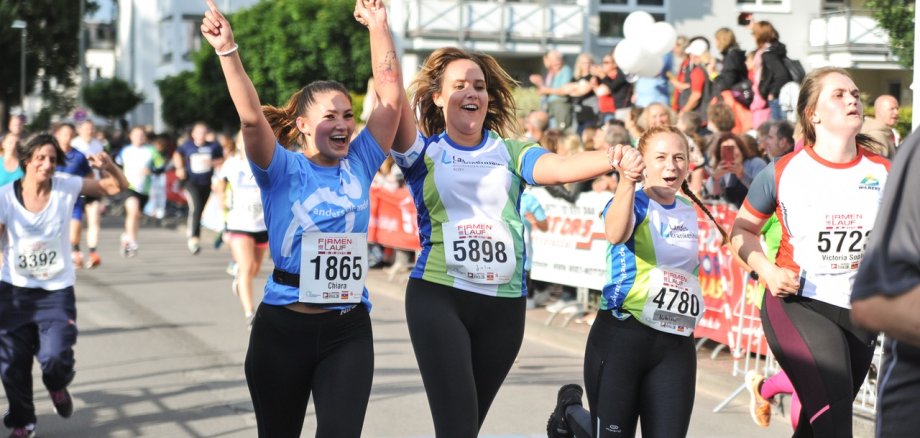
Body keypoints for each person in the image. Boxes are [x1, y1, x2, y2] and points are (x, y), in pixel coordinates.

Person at [200, 0, 412, 436]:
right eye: (329, 116)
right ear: (301, 125)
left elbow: (391, 99)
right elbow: (251, 120)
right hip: (283, 328)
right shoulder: (281, 168)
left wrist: (378, 25)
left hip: (347, 328)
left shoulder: (360, 162)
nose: (343, 124)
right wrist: (227, 51)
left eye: (348, 116)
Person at [391, 45, 620, 437]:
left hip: (504, 306)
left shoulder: (512, 152)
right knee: (457, 429)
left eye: (479, 86)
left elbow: (561, 167)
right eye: (459, 85)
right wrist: (379, 27)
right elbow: (390, 92)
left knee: (466, 426)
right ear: (438, 97)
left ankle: (566, 421)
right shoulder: (423, 153)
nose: (471, 92)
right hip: (439, 295)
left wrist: (614, 157)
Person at [729, 67, 889, 436]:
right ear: (812, 113)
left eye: (855, 94)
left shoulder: (884, 172)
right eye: (839, 94)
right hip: (798, 303)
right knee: (835, 425)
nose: (852, 100)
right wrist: (767, 271)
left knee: (817, 427)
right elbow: (741, 231)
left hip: (860, 310)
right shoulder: (784, 171)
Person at [546, 126, 729, 438]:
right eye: (661, 157)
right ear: (643, 163)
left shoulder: (688, 209)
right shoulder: (633, 201)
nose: (671, 165)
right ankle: (569, 412)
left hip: (675, 341)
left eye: (679, 157)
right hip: (623, 336)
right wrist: (627, 182)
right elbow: (615, 234)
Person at [0, 134, 127, 438]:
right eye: (40, 158)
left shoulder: (66, 186)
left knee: (55, 357)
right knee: (12, 363)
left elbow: (116, 187)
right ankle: (23, 421)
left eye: (52, 159)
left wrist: (109, 166)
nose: (47, 164)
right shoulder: (5, 196)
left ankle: (56, 384)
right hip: (14, 291)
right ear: (27, 160)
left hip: (55, 291)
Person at [851, 128, 920, 438]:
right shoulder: (789, 170)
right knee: (829, 415)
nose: (852, 104)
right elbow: (876, 299)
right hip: (806, 297)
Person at [216, 131, 268, 328]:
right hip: (239, 223)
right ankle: (250, 314)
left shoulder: (265, 161)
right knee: (246, 267)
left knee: (254, 269)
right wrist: (221, 206)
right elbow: (220, 184)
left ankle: (239, 282)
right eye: (244, 140)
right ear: (238, 144)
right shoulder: (232, 164)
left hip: (262, 224)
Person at [173, 122, 223, 254]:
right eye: (198, 132)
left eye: (203, 132)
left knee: (200, 210)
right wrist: (180, 168)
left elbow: (222, 159)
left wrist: (211, 162)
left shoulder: (213, 146)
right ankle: (193, 238)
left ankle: (194, 233)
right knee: (195, 207)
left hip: (206, 183)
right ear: (193, 134)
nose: (201, 135)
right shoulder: (187, 145)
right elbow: (177, 154)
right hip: (190, 182)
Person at [115, 127, 165, 257]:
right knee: (133, 212)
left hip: (144, 189)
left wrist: (151, 171)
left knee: (136, 216)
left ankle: (127, 237)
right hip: (128, 187)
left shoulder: (151, 151)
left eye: (141, 135)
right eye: (136, 135)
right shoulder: (125, 151)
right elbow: (116, 166)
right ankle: (132, 242)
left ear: (145, 137)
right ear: (130, 136)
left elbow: (161, 167)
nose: (139, 137)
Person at [52, 123, 93, 269]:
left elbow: (90, 176)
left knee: (74, 235)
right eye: (64, 134)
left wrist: (84, 188)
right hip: (53, 202)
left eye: (70, 135)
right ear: (57, 135)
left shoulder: (79, 156)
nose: (67, 137)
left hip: (74, 201)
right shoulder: (50, 155)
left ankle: (75, 250)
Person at [70, 120, 105, 269]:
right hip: (77, 187)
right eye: (86, 128)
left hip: (93, 186)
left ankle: (93, 252)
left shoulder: (98, 145)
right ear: (79, 130)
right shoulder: (74, 144)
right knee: (76, 222)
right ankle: (76, 250)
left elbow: (103, 167)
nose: (89, 131)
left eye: (91, 128)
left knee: (94, 218)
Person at [706, 132, 767, 208]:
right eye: (725, 150)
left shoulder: (756, 163)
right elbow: (715, 194)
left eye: (732, 148)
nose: (730, 153)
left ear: (740, 149)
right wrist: (715, 178)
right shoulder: (723, 170)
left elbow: (762, 193)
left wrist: (742, 176)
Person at [752, 21, 791, 123]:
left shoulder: (769, 54)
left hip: (774, 97)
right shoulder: (776, 49)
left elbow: (782, 75)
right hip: (778, 96)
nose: (753, 37)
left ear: (759, 35)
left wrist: (772, 93)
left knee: (777, 128)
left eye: (754, 34)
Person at [530, 50, 574, 132]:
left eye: (557, 59)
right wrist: (540, 84)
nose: (555, 62)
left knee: (560, 132)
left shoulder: (566, 70)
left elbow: (564, 90)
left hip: (560, 106)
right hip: (551, 107)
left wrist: (546, 90)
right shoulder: (552, 73)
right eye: (553, 60)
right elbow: (546, 90)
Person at [593, 53, 631, 124]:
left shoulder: (618, 75)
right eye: (603, 62)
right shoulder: (604, 77)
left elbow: (604, 90)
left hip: (615, 111)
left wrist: (602, 76)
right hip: (603, 111)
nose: (603, 65)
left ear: (615, 64)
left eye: (606, 62)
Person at [0, 116, 25, 187]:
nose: (13, 146)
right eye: (15, 125)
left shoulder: (26, 141)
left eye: (19, 125)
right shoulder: (3, 138)